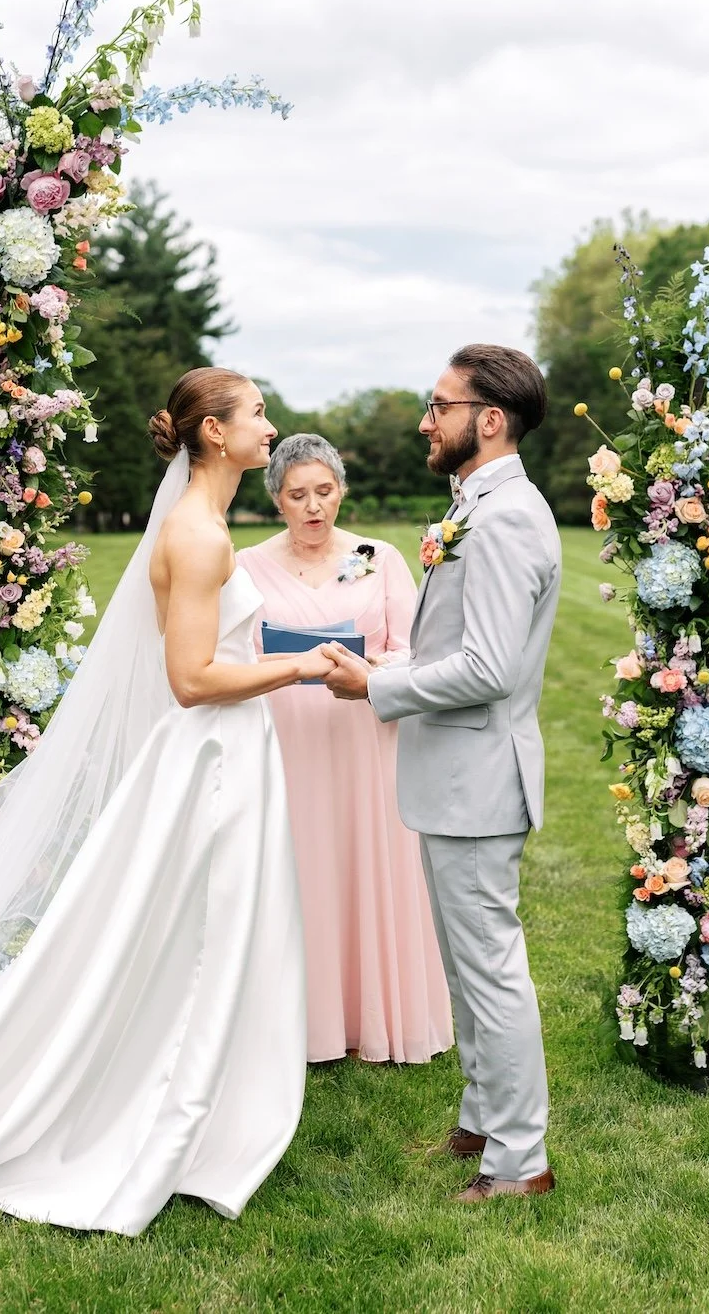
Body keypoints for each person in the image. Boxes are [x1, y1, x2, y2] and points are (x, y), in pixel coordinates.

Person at [0, 367, 334, 1234]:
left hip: (228, 753)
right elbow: (191, 679)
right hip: (214, 760)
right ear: (216, 434)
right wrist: (304, 666)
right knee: (205, 936)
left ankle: (207, 1099)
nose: (273, 427)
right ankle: (174, 1119)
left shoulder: (206, 521)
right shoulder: (199, 536)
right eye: (259, 414)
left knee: (204, 936)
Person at [324, 344, 561, 1204]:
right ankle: (483, 1120)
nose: (426, 421)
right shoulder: (475, 506)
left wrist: (378, 684)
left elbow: (491, 666)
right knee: (467, 967)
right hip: (453, 774)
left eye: (439, 406)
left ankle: (519, 1162)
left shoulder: (502, 519)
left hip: (477, 780)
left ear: (487, 420)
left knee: (490, 967)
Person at [238, 434, 453, 1064]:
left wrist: (376, 665)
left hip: (361, 730)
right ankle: (300, 1023)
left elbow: (416, 648)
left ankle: (372, 1016)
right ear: (276, 499)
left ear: (342, 490)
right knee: (298, 864)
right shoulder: (247, 566)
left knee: (363, 860)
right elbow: (234, 653)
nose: (313, 507)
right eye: (297, 495)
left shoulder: (378, 557)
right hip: (287, 736)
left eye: (324, 492)